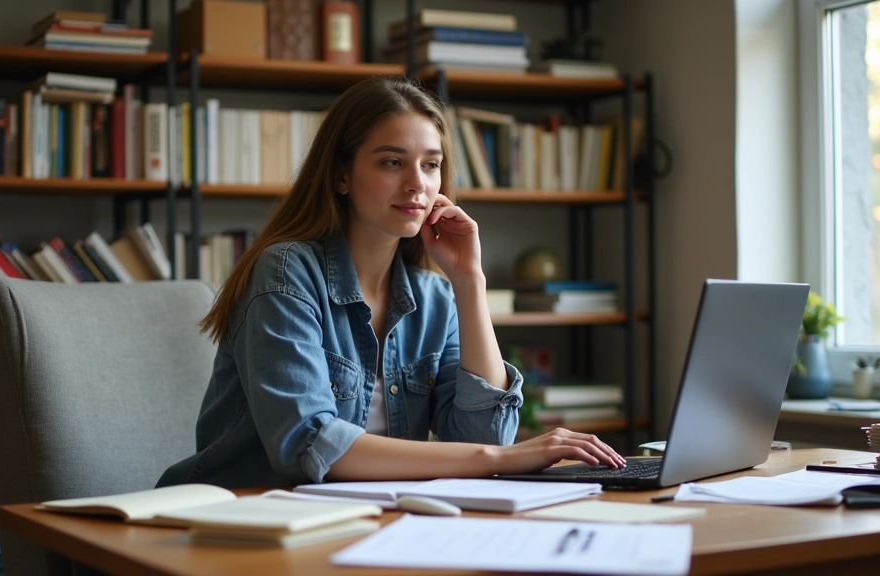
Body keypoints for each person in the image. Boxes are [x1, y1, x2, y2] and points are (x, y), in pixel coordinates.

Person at [157, 76, 625, 490]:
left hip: (371, 515)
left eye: (430, 164)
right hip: (243, 515)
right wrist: (499, 458)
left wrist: (469, 281)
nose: (417, 185)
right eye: (391, 163)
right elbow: (307, 443)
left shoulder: (434, 296)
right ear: (341, 176)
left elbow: (481, 435)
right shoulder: (286, 271)